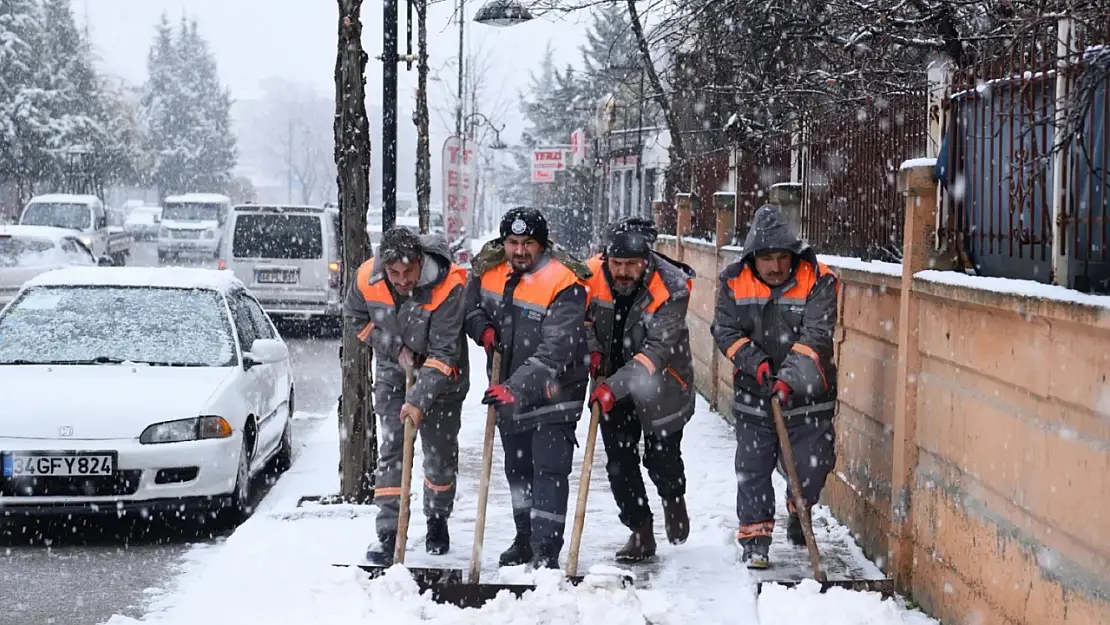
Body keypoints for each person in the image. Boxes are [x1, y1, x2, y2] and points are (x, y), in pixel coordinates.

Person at [710, 204, 840, 569]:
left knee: (811, 467)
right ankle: (755, 539)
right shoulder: (733, 281)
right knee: (753, 467)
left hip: (809, 396)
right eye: (767, 258)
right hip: (754, 393)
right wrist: (756, 363)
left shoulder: (819, 280)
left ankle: (799, 508)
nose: (776, 267)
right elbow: (725, 331)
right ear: (753, 256)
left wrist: (789, 378)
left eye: (783, 257)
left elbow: (816, 335)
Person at [464, 207, 591, 570]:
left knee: (548, 472)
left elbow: (557, 348)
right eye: (513, 242)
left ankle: (546, 550)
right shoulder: (489, 271)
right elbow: (470, 308)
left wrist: (517, 388)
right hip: (509, 390)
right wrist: (483, 330)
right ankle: (524, 538)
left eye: (528, 243)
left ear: (542, 244)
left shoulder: (563, 281)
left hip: (556, 391)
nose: (520, 251)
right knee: (518, 472)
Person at [343, 227, 470, 566]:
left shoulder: (448, 286)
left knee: (438, 458)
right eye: (394, 273)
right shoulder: (366, 279)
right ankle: (389, 533)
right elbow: (356, 318)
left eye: (408, 272)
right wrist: (394, 348)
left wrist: (418, 399)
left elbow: (444, 353)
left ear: (420, 262)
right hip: (393, 375)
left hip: (443, 381)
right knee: (392, 453)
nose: (401, 280)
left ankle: (437, 518)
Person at [583, 217, 696, 563]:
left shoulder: (672, 286)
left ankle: (673, 497)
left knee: (662, 458)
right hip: (610, 381)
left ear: (646, 260)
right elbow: (582, 318)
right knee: (619, 462)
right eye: (616, 264)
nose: (622, 272)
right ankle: (641, 531)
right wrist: (593, 348)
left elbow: (657, 351)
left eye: (631, 265)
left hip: (661, 385)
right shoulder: (589, 275)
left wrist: (613, 387)